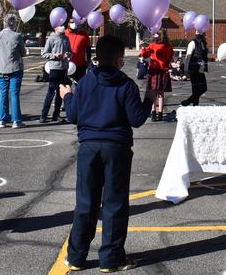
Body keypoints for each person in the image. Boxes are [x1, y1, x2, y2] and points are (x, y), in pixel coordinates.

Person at [59, 35, 156, 273]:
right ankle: (111, 258)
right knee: (114, 203)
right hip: (116, 148)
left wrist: (67, 96)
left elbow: (73, 115)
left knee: (86, 202)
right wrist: (148, 101)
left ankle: (76, 256)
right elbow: (136, 119)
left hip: (89, 147)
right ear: (119, 60)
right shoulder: (126, 85)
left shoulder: (85, 82)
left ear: (96, 58)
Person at [0, 14, 26, 129]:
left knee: (3, 93)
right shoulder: (17, 36)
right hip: (15, 68)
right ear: (14, 23)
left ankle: (2, 120)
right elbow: (23, 53)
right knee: (14, 94)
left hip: (1, 67)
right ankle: (16, 120)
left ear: (4, 22)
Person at [41, 24, 72, 123]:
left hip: (64, 68)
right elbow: (44, 53)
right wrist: (54, 55)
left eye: (62, 25)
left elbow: (70, 52)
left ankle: (56, 115)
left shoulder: (66, 38)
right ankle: (43, 115)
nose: (62, 27)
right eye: (59, 25)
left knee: (60, 93)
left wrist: (68, 54)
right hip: (54, 68)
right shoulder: (51, 38)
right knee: (51, 92)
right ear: (55, 27)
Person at [140, 29, 174, 121]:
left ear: (159, 36)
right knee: (160, 94)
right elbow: (170, 58)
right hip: (163, 71)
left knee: (152, 93)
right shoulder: (169, 47)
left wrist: (143, 47)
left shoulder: (152, 45)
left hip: (153, 71)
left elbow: (144, 56)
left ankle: (153, 113)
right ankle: (160, 114)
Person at [181, 32, 209, 107]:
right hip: (193, 69)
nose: (205, 34)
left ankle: (188, 102)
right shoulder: (192, 43)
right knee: (196, 90)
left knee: (203, 88)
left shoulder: (203, 43)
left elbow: (203, 55)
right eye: (203, 33)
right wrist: (185, 71)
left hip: (200, 69)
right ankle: (193, 105)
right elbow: (188, 57)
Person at [65, 16, 91, 82]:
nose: (74, 24)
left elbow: (88, 49)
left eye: (76, 22)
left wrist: (88, 61)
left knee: (80, 85)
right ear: (68, 23)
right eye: (72, 22)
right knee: (66, 86)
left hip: (80, 66)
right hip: (66, 65)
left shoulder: (84, 34)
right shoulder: (64, 34)